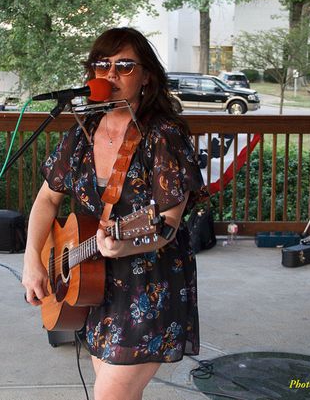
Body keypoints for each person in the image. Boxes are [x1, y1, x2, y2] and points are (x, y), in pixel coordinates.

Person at [22, 27, 205, 400]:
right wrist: (32, 262)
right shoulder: (81, 133)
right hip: (94, 284)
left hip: (148, 285)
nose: (111, 74)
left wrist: (127, 247)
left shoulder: (163, 136)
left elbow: (167, 224)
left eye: (124, 66)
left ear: (146, 77)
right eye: (101, 65)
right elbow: (46, 200)